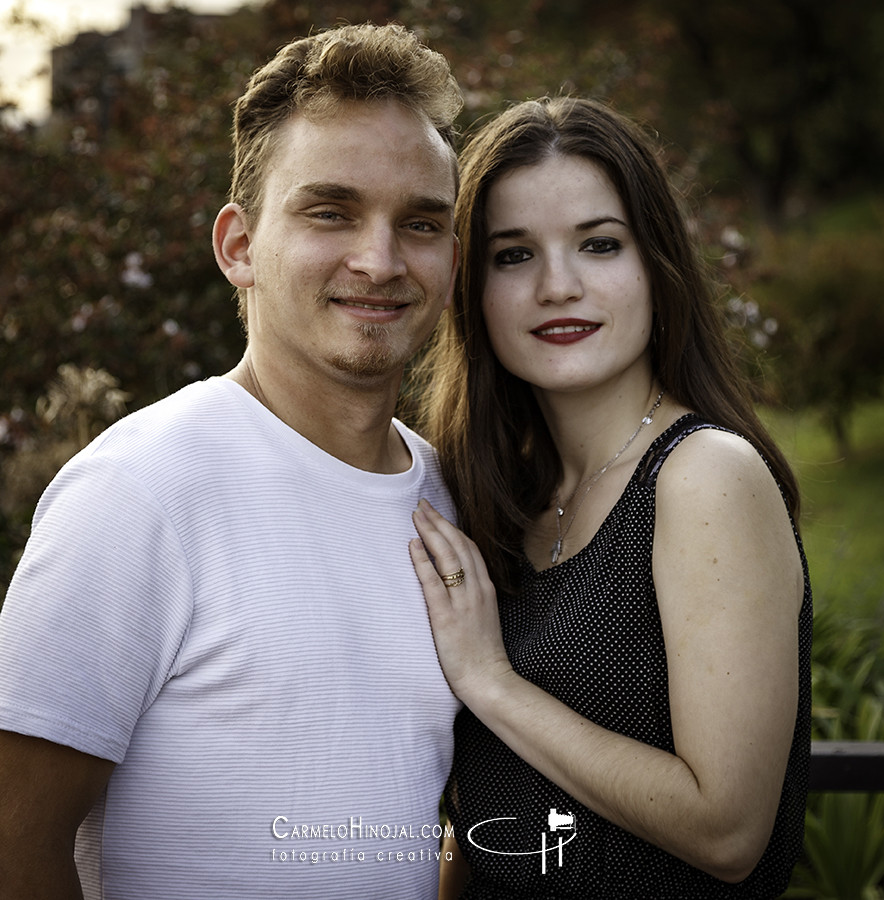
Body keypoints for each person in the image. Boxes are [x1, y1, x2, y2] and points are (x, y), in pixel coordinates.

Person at [0, 23, 462, 899]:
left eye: (420, 222)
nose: (380, 259)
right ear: (239, 246)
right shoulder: (138, 491)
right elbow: (14, 845)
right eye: (331, 211)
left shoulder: (449, 500)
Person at [408, 96, 812, 899]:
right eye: (514, 255)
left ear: (655, 266)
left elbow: (727, 830)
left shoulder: (703, 478)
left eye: (598, 244)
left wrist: (492, 683)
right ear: (473, 289)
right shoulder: (495, 495)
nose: (559, 286)